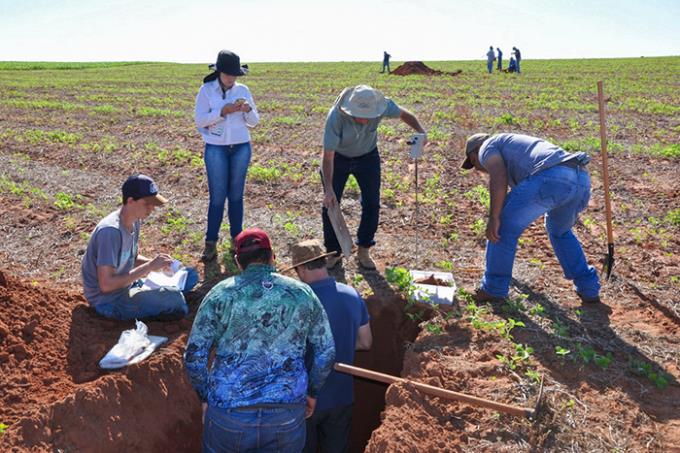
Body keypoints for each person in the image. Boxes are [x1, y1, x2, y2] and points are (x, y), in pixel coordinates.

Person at [184, 228, 336, 453]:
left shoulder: (220, 295)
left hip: (229, 413)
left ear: (237, 261)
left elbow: (194, 357)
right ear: (272, 256)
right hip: (286, 412)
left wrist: (205, 397)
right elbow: (326, 352)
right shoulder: (302, 294)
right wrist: (312, 392)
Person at [461, 133, 601, 304]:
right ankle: (589, 288)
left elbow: (499, 176)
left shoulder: (487, 146)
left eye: (473, 162)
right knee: (560, 231)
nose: (477, 168)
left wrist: (494, 217)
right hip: (581, 179)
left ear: (476, 150)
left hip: (553, 176)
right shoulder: (513, 144)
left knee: (502, 228)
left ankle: (493, 289)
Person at [322, 85, 427, 269]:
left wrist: (421, 130)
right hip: (339, 158)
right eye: (360, 115)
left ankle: (364, 249)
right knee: (331, 203)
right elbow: (328, 156)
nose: (364, 119)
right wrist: (328, 189)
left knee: (372, 203)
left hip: (368, 157)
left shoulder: (382, 105)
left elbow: (405, 114)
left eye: (368, 116)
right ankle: (333, 251)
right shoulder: (336, 116)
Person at [288, 239, 372, 453]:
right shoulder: (351, 295)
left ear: (303, 268)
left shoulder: (298, 302)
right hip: (341, 397)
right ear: (324, 262)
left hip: (303, 401)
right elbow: (365, 342)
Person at [81, 174, 198, 320]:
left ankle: (156, 296)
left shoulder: (135, 220)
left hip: (127, 285)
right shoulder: (110, 232)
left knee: (190, 275)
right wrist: (149, 266)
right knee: (175, 299)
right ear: (130, 201)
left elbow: (131, 257)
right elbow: (106, 285)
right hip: (109, 301)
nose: (152, 208)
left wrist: (160, 265)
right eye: (147, 203)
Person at [195, 50, 260, 262]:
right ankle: (210, 243)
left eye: (235, 74)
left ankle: (237, 242)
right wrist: (223, 112)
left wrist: (247, 110)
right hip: (216, 148)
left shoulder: (243, 90)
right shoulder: (206, 90)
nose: (232, 78)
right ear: (220, 72)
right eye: (228, 74)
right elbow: (200, 121)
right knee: (217, 197)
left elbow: (254, 122)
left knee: (236, 197)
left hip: (241, 146)